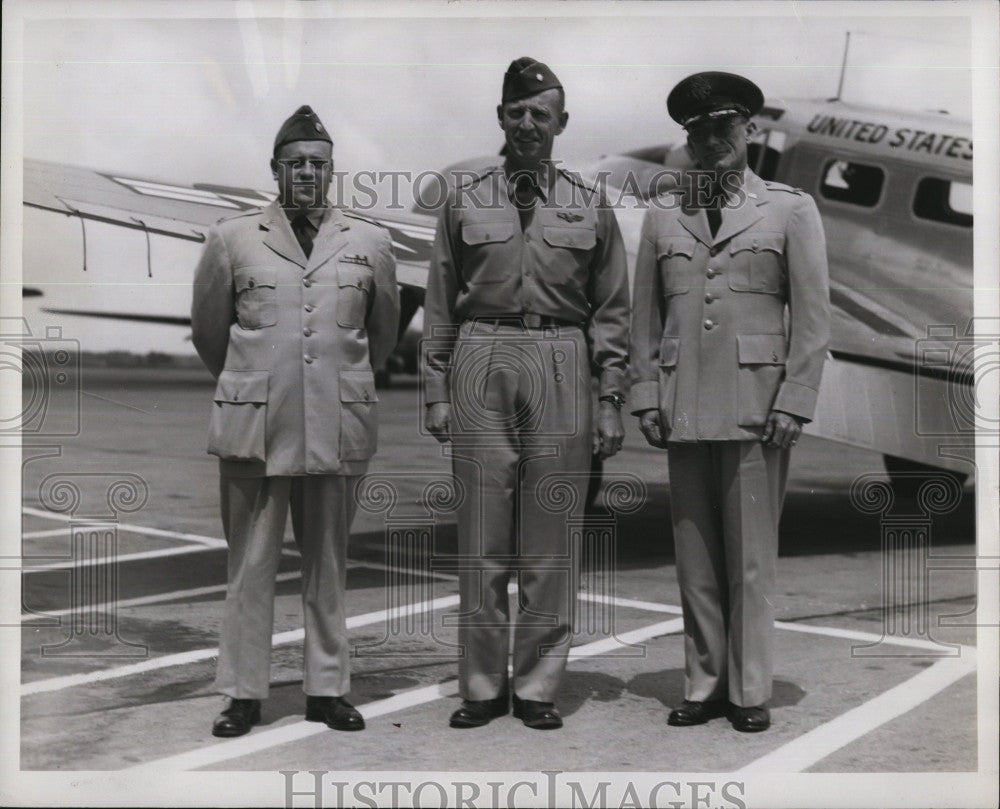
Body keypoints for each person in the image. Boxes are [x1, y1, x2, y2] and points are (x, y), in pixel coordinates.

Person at [422, 57, 630, 730]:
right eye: (517, 112)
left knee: (550, 540)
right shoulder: (464, 198)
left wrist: (609, 397)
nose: (529, 124)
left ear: (562, 123)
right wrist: (436, 390)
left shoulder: (588, 201)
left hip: (563, 357)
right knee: (481, 538)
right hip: (482, 354)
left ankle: (538, 685)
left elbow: (612, 309)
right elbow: (439, 298)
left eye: (542, 113)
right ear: (501, 118)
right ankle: (482, 685)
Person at [629, 72, 831, 732]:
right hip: (684, 403)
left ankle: (748, 691)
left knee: (750, 560)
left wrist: (794, 399)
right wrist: (644, 395)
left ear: (748, 131)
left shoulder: (790, 209)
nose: (709, 141)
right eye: (696, 132)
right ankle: (704, 682)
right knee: (695, 561)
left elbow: (812, 316)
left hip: (756, 404)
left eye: (721, 128)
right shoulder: (664, 216)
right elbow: (644, 318)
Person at [191, 105, 399, 737]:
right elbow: (209, 333)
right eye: (296, 164)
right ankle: (243, 694)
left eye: (319, 165)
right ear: (276, 171)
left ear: (332, 172)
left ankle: (328, 689)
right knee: (250, 565)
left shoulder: (369, 242)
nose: (307, 174)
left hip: (336, 423)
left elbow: (381, 335)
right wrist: (257, 384)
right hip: (257, 426)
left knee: (329, 563)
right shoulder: (232, 239)